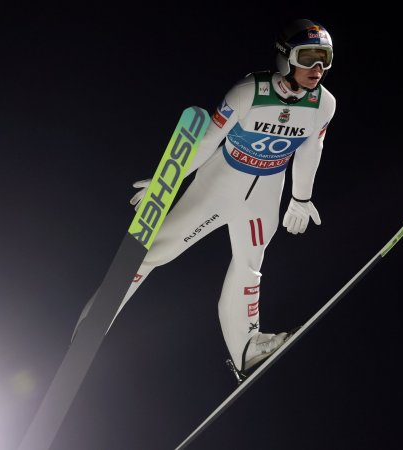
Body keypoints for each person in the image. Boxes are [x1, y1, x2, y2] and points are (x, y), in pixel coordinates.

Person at [118, 19, 337, 381]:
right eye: (309, 57)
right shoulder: (249, 90)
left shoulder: (324, 104)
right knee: (155, 251)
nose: (317, 69)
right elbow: (208, 139)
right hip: (222, 182)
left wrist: (300, 198)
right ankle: (98, 321)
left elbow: (313, 146)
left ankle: (246, 348)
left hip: (266, 191)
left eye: (324, 59)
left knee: (250, 266)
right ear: (286, 57)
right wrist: (167, 181)